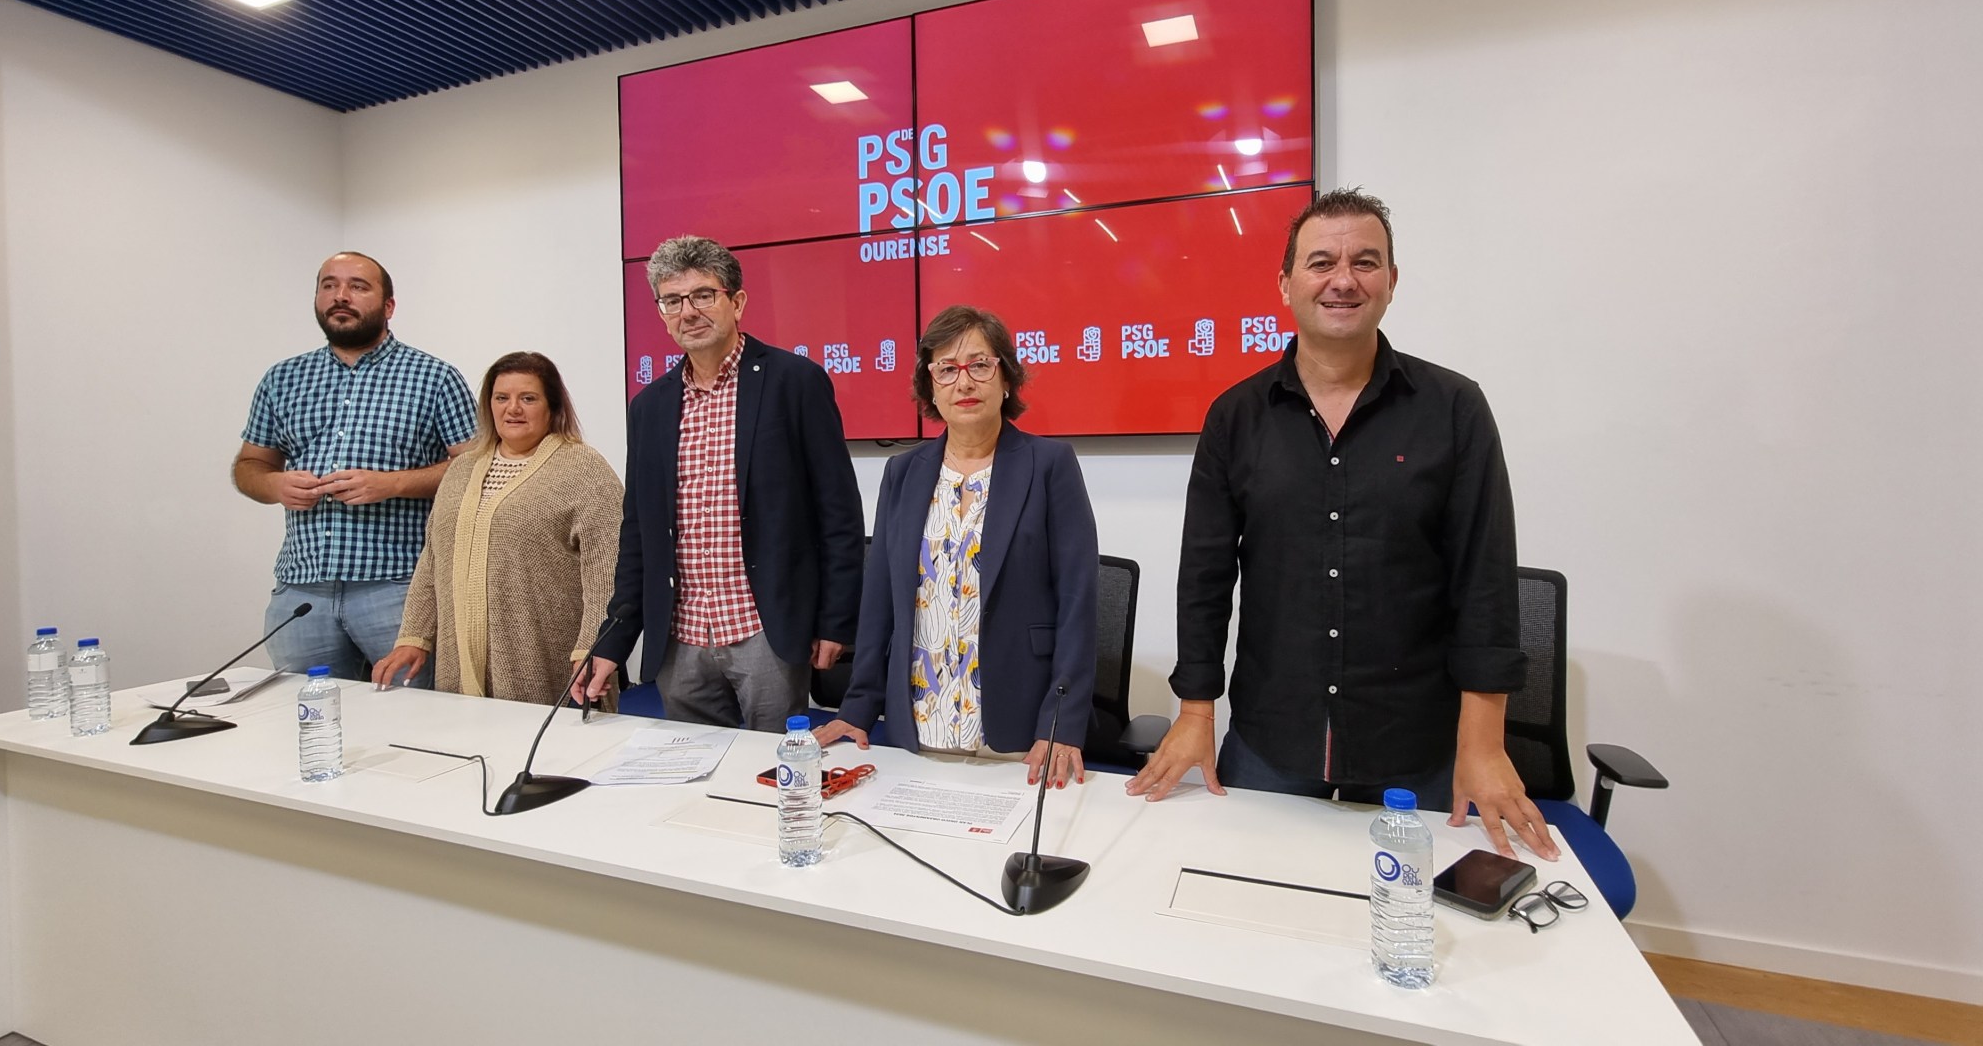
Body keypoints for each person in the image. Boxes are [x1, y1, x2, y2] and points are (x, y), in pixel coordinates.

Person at [1126, 188, 1559, 861]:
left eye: (1365, 262)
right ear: (1285, 284)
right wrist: (1196, 711)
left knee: (1415, 912)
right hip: (1271, 738)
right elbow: (1204, 577)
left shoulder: (1453, 408)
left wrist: (1483, 744)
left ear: (1391, 281)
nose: (1343, 280)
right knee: (1255, 902)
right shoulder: (1236, 417)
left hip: (1416, 745)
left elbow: (1485, 580)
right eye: (1322, 262)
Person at [573, 235, 862, 733]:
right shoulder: (649, 408)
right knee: (695, 768)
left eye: (703, 295)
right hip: (680, 637)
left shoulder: (795, 383)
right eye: (673, 301)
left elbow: (838, 513)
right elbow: (638, 534)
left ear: (737, 302)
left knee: (776, 765)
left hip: (765, 629)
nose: (688, 312)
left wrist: (835, 621)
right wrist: (613, 640)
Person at [818, 307, 1099, 787]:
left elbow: (1078, 601)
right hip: (919, 723)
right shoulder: (902, 473)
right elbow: (880, 599)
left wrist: (1061, 724)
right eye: (946, 369)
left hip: (1020, 733)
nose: (964, 381)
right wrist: (857, 707)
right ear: (930, 387)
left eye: (980, 365)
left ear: (1006, 379)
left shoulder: (1050, 464)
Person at [233, 252, 475, 685]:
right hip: (302, 589)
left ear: (388, 306)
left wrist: (393, 483)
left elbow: (476, 467)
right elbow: (250, 465)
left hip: (399, 587)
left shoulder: (434, 377)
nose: (340, 296)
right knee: (310, 714)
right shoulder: (282, 379)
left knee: (416, 714)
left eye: (358, 287)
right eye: (329, 285)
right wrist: (274, 485)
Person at [370, 352, 623, 704]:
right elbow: (432, 560)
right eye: (501, 398)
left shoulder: (583, 468)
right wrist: (414, 636)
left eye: (528, 398)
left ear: (552, 406)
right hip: (458, 663)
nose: (513, 409)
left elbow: (607, 570)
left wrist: (593, 645)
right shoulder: (461, 470)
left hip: (548, 658)